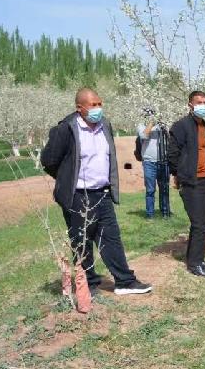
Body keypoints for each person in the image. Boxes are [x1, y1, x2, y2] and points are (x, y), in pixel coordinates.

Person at [40, 88, 152, 296]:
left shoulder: (105, 125)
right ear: (79, 108)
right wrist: (67, 178)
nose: (98, 108)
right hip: (78, 195)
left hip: (102, 193)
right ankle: (88, 285)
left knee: (111, 238)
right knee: (82, 241)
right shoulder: (66, 129)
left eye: (100, 104)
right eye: (93, 105)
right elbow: (49, 161)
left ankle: (125, 281)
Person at [168, 91, 205, 279]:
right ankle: (194, 264)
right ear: (190, 105)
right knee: (198, 222)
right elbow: (172, 154)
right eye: (199, 102)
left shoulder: (203, 125)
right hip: (191, 180)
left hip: (204, 179)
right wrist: (179, 175)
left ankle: (198, 259)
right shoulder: (181, 126)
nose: (202, 105)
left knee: (204, 222)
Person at [137, 113, 171, 219]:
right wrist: (152, 122)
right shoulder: (142, 125)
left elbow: (171, 138)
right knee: (150, 190)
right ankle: (150, 214)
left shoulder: (164, 125)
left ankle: (165, 212)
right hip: (149, 162)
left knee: (164, 188)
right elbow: (143, 135)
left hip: (164, 161)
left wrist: (163, 125)